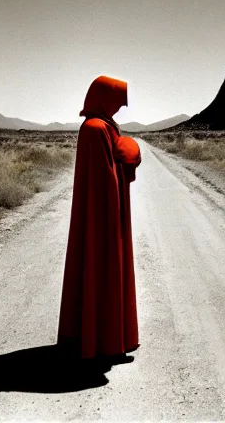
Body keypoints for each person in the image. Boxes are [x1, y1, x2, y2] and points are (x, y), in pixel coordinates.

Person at [57, 75, 140, 361]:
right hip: (104, 216)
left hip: (107, 211)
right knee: (103, 265)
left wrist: (125, 153)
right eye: (116, 102)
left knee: (101, 267)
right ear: (104, 98)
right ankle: (102, 341)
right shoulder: (95, 129)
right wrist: (127, 157)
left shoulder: (101, 127)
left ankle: (101, 337)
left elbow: (110, 173)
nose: (118, 108)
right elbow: (105, 181)